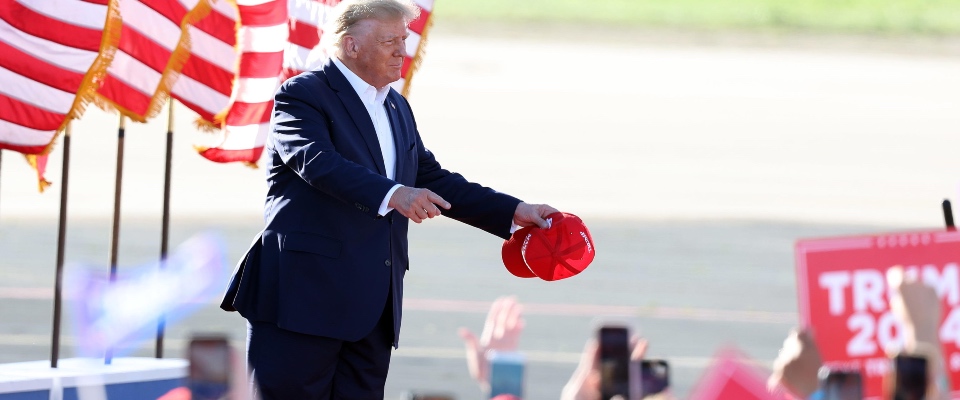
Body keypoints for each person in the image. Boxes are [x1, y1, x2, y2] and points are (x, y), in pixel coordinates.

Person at [218, 0, 558, 398]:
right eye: (389, 41)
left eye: (404, 38)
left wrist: (515, 210)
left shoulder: (396, 106)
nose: (402, 49)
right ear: (352, 46)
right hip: (302, 302)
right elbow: (317, 161)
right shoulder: (303, 95)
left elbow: (430, 178)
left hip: (372, 311)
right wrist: (394, 194)